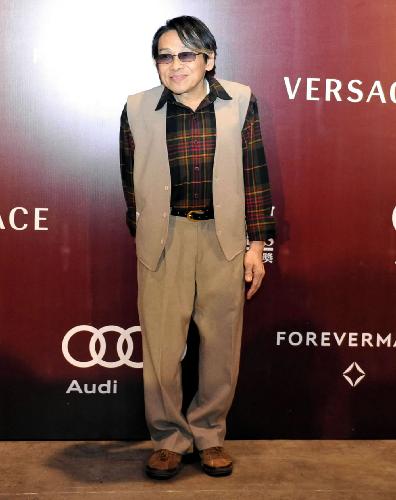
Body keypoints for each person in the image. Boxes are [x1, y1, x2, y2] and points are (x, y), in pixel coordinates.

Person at [119, 15, 276, 480]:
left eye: (186, 54)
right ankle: (168, 439)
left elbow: (255, 173)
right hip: (163, 240)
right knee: (162, 349)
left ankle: (209, 436)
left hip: (223, 240)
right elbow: (131, 182)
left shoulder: (240, 101)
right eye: (165, 56)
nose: (175, 65)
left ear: (209, 59)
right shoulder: (135, 108)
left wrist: (257, 245)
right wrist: (146, 233)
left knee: (220, 347)